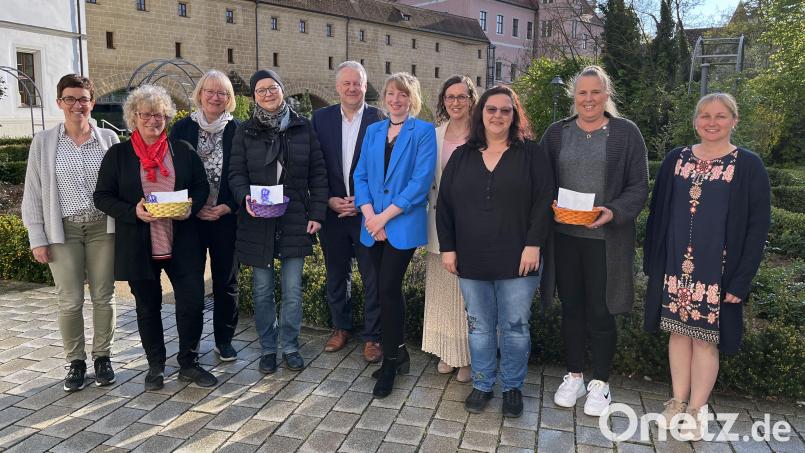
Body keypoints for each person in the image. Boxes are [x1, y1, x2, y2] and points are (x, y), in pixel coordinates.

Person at [643, 93, 770, 440]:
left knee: (705, 342)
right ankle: (676, 401)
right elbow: (657, 215)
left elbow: (758, 228)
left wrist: (740, 281)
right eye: (705, 115)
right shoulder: (675, 160)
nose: (712, 122)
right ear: (695, 120)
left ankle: (697, 410)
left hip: (717, 273)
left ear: (734, 120)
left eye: (721, 116)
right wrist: (652, 263)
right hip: (674, 268)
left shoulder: (748, 165)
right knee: (678, 334)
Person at [436, 85, 554, 417]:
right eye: (492, 109)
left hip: (519, 258)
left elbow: (544, 202)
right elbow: (444, 207)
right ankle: (484, 384)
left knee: (515, 325)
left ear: (514, 115)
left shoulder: (532, 154)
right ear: (481, 114)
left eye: (505, 110)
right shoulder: (462, 156)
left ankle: (513, 387)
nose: (498, 116)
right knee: (479, 324)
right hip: (471, 258)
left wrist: (533, 245)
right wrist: (449, 249)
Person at [540, 65, 649, 416]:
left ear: (606, 95)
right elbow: (540, 181)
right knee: (571, 309)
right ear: (574, 96)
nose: (588, 99)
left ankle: (600, 382)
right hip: (565, 238)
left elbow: (638, 187)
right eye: (582, 92)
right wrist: (548, 206)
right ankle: (573, 375)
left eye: (595, 92)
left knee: (602, 311)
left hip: (606, 240)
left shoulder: (625, 134)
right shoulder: (557, 133)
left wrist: (613, 211)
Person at [94, 84, 216, 390]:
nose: (153, 120)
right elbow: (102, 196)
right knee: (147, 307)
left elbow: (201, 187)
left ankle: (189, 363)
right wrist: (132, 211)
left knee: (191, 302)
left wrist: (190, 208)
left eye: (159, 114)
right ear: (134, 117)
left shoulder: (182, 151)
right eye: (146, 114)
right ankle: (155, 366)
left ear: (167, 117)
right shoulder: (119, 154)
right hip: (139, 242)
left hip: (183, 239)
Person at [21, 74, 119, 392]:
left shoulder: (109, 140)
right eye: (70, 98)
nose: (78, 105)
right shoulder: (44, 142)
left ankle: (102, 357)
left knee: (104, 296)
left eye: (83, 99)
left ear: (92, 102)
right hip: (63, 230)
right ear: (59, 102)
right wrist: (37, 238)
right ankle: (76, 362)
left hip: (102, 229)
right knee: (70, 300)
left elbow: (121, 187)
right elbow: (33, 193)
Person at [228, 69, 328, 375]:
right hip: (259, 219)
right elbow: (236, 174)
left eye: (272, 88)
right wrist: (245, 197)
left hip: (296, 217)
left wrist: (317, 214)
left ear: (282, 90)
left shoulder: (303, 127)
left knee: (293, 289)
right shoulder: (245, 131)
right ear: (254, 96)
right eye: (261, 90)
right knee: (261, 289)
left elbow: (318, 174)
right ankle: (268, 348)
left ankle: (291, 346)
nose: (268, 94)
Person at [353, 72, 436, 398]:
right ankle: (399, 353)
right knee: (381, 289)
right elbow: (360, 175)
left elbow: (420, 181)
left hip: (400, 224)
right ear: (384, 97)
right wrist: (370, 215)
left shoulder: (423, 132)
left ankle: (390, 361)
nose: (396, 99)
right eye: (390, 93)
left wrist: (385, 217)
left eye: (402, 94)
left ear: (412, 98)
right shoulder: (374, 131)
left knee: (388, 287)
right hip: (373, 224)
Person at [312, 61, 384, 362]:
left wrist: (364, 201)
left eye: (358, 83)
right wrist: (328, 199)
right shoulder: (320, 118)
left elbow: (387, 170)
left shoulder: (380, 119)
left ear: (365, 86)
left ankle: (373, 337)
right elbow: (315, 166)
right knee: (336, 275)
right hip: (333, 213)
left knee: (373, 276)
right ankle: (341, 327)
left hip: (367, 214)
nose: (352, 88)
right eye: (347, 83)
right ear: (337, 87)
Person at [170, 70, 241, 362]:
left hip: (226, 217)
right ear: (199, 94)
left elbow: (245, 174)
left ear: (229, 99)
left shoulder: (239, 130)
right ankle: (191, 345)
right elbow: (171, 173)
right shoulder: (181, 129)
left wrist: (228, 206)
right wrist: (193, 205)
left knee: (226, 282)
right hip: (191, 218)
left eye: (222, 93)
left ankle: (224, 340)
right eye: (210, 91)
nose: (215, 97)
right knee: (190, 284)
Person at [422, 75, 478, 383]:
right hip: (438, 223)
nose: (455, 102)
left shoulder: (481, 135)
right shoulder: (434, 134)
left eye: (461, 96)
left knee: (467, 295)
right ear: (444, 101)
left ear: (471, 99)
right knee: (443, 293)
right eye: (449, 97)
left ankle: (467, 358)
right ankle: (446, 351)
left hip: (472, 225)